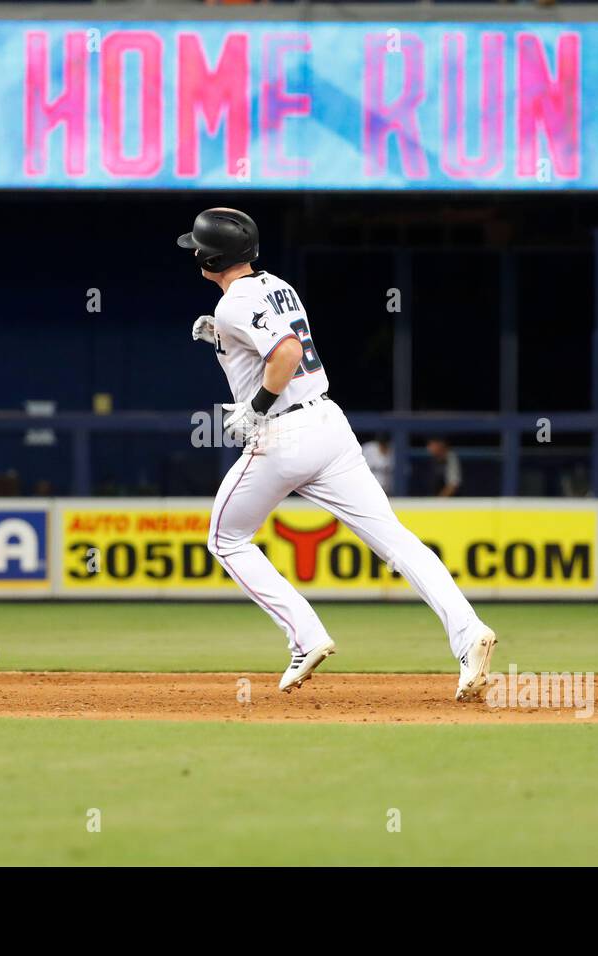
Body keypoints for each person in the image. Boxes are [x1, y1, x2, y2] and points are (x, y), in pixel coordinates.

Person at [180, 207, 495, 700]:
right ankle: (468, 631)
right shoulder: (278, 285)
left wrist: (257, 408)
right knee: (396, 541)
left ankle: (305, 637)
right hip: (329, 423)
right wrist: (222, 338)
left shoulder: (232, 303)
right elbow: (277, 340)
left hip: (283, 433)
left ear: (209, 258)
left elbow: (283, 353)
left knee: (226, 540)